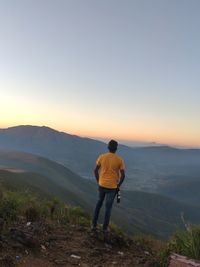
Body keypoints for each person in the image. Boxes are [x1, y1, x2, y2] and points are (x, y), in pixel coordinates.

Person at [92, 140, 125, 233]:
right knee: (108, 208)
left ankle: (93, 225)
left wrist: (99, 181)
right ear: (116, 148)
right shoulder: (119, 160)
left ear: (108, 147)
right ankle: (105, 229)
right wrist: (118, 185)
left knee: (98, 204)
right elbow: (123, 175)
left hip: (101, 185)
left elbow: (95, 171)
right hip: (112, 187)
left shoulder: (102, 157)